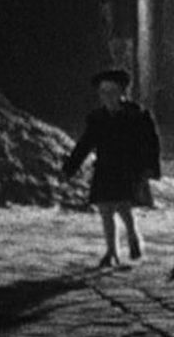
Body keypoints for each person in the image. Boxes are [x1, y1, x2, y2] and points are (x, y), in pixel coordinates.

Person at [61, 67, 162, 269]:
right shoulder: (97, 118)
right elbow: (85, 143)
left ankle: (133, 235)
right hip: (105, 167)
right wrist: (70, 167)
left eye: (111, 92)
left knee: (123, 205)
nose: (106, 97)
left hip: (128, 168)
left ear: (121, 93)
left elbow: (151, 142)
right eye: (103, 92)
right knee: (105, 208)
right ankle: (112, 251)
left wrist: (150, 167)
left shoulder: (137, 115)